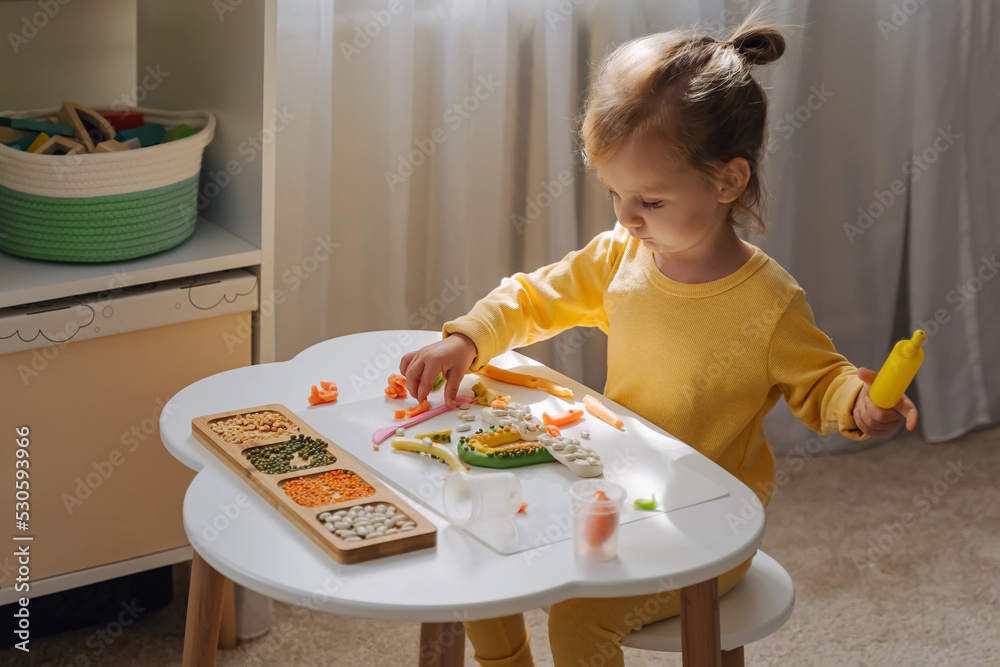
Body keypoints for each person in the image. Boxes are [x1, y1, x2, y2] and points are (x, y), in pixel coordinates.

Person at [399, 14, 919, 667]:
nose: (624, 216)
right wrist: (470, 338)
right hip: (614, 491)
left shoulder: (770, 302)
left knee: (577, 620)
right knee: (477, 550)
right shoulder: (624, 255)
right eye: (615, 193)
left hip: (706, 531)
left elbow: (823, 382)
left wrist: (860, 403)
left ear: (728, 181)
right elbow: (536, 295)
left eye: (648, 199)